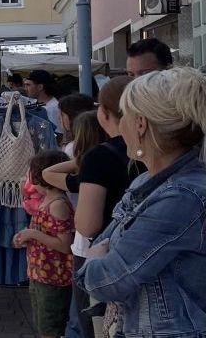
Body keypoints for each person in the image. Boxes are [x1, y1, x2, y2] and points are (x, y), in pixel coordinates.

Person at [76, 67, 206, 337]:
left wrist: (94, 259)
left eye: (125, 115)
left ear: (140, 124)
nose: (119, 125)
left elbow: (104, 280)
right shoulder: (148, 182)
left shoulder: (180, 197)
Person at [42, 76, 140, 338]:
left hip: (102, 251)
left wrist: (81, 163)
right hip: (142, 252)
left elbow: (87, 224)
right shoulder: (150, 149)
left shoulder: (100, 157)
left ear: (104, 113)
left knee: (96, 324)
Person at [15, 150, 74, 338]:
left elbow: (64, 244)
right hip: (40, 274)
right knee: (43, 323)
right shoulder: (45, 201)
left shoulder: (57, 204)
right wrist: (27, 237)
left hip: (53, 276)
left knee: (51, 326)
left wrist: (33, 234)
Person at [24, 70, 62, 136]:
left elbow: (58, 136)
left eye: (28, 85)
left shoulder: (54, 108)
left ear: (40, 87)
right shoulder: (35, 104)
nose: (25, 88)